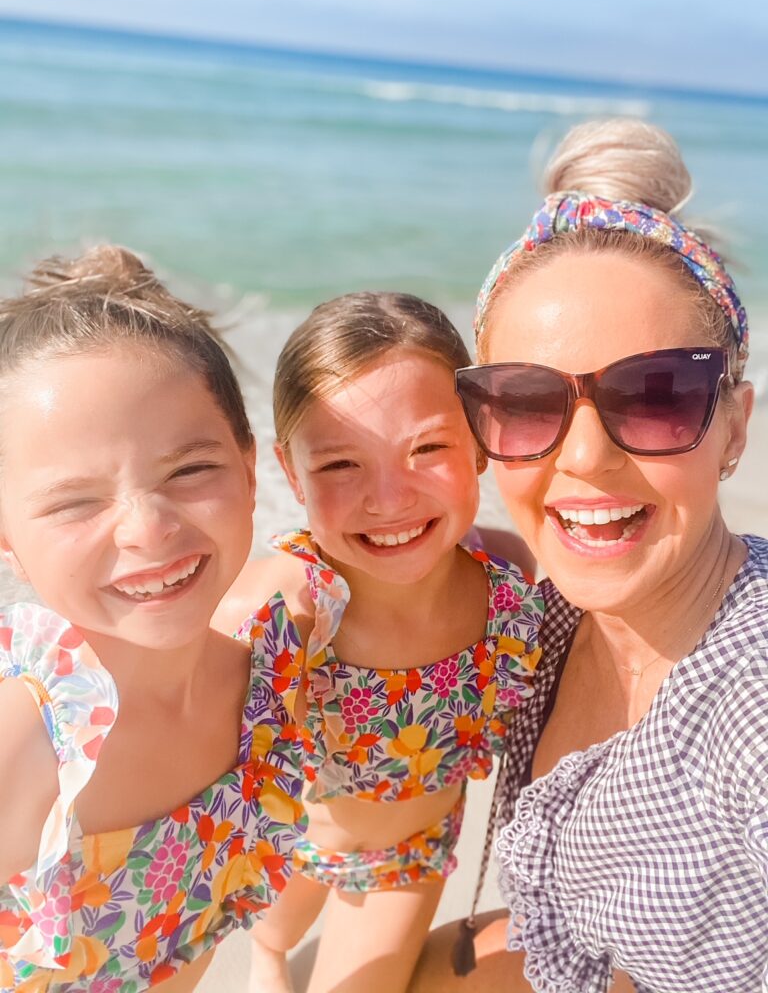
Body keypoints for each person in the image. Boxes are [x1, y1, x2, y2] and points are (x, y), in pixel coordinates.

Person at [411, 117, 766, 993]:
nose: (582, 459)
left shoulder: (749, 706)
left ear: (733, 426)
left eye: (654, 397)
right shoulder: (559, 602)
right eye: (527, 403)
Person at [213, 291, 544, 993]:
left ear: (481, 438)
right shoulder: (297, 604)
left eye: (427, 448)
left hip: (407, 855)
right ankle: (272, 960)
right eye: (340, 465)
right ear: (291, 471)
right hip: (297, 844)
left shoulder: (512, 578)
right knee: (270, 934)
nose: (389, 498)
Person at [0, 248, 308, 992]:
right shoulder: (30, 745)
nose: (147, 529)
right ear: (7, 538)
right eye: (76, 501)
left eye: (189, 471)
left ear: (250, 467)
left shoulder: (267, 683)